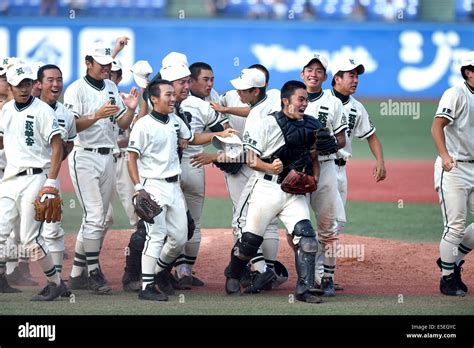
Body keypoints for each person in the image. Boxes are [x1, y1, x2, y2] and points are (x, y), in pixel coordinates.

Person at [224, 80, 323, 303]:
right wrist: (270, 167)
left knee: (307, 238)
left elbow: (314, 157)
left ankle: (304, 289)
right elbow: (251, 159)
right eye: (300, 99)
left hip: (294, 192)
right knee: (249, 242)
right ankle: (233, 272)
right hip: (267, 189)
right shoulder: (266, 124)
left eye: (306, 99)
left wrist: (315, 177)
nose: (305, 103)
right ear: (285, 101)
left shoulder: (312, 125)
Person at [64, 42, 138, 294]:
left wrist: (131, 109)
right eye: (101, 63)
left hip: (109, 157)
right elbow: (71, 127)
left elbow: (121, 121)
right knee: (96, 216)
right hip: (84, 156)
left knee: (95, 218)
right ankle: (94, 272)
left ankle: (76, 274)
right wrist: (96, 115)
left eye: (108, 63)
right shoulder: (75, 90)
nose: (106, 67)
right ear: (88, 62)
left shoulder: (110, 87)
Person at [0, 63, 67, 300]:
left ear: (33, 84)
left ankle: (55, 283)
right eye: (19, 84)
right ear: (10, 86)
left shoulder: (43, 111)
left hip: (35, 178)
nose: (24, 88)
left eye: (28, 83)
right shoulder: (6, 110)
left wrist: (50, 183)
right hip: (9, 179)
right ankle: (57, 284)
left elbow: (57, 145)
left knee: (30, 239)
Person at [127, 78, 192, 301]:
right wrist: (138, 188)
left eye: (174, 94)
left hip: (174, 187)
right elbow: (131, 158)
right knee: (156, 236)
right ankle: (146, 287)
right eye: (168, 95)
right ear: (154, 99)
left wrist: (217, 136)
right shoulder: (143, 125)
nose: (173, 98)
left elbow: (189, 136)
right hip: (152, 185)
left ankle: (154, 273)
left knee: (180, 238)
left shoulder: (175, 120)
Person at [297, 53, 347, 296]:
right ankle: (305, 277)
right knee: (297, 225)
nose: (313, 74)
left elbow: (341, 138)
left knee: (328, 226)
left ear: (325, 77)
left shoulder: (333, 102)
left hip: (326, 168)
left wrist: (333, 145)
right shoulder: (293, 98)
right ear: (302, 73)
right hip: (298, 168)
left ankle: (327, 276)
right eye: (309, 69)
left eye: (318, 70)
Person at [431, 51, 474, 297]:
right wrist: (445, 157)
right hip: (455, 167)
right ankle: (447, 278)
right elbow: (437, 125)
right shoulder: (455, 94)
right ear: (468, 72)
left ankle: (452, 259)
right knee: (455, 226)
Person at [37, 64, 77, 275]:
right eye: (50, 80)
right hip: (20, 176)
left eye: (59, 79)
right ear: (39, 84)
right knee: (11, 227)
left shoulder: (66, 114)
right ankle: (10, 273)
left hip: (49, 176)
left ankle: (57, 281)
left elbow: (69, 143)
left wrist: (56, 160)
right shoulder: (29, 108)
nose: (56, 84)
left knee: (53, 228)